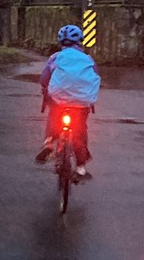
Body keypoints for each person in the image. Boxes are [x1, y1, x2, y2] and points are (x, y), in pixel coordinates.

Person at [35, 24, 100, 178]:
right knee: (80, 131)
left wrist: (45, 90)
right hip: (82, 101)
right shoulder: (88, 59)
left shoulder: (56, 57)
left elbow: (44, 79)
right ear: (80, 42)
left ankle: (50, 142)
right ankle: (80, 167)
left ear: (61, 42)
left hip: (60, 99)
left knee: (54, 115)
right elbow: (95, 77)